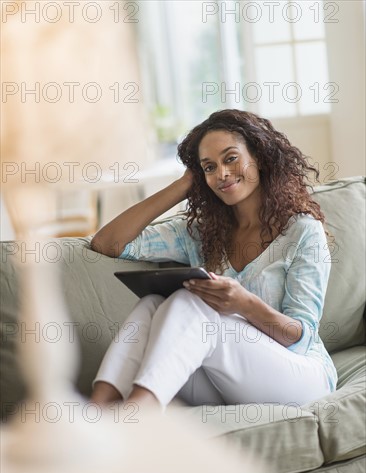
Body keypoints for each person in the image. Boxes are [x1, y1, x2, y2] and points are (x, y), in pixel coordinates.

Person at [90, 109, 337, 410]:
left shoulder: (302, 231)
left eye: (230, 158)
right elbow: (108, 243)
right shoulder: (201, 233)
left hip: (300, 375)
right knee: (152, 304)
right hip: (227, 382)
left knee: (190, 302)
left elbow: (300, 338)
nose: (221, 174)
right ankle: (100, 408)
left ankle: (140, 410)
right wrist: (183, 185)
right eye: (209, 167)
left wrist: (243, 303)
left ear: (259, 157)